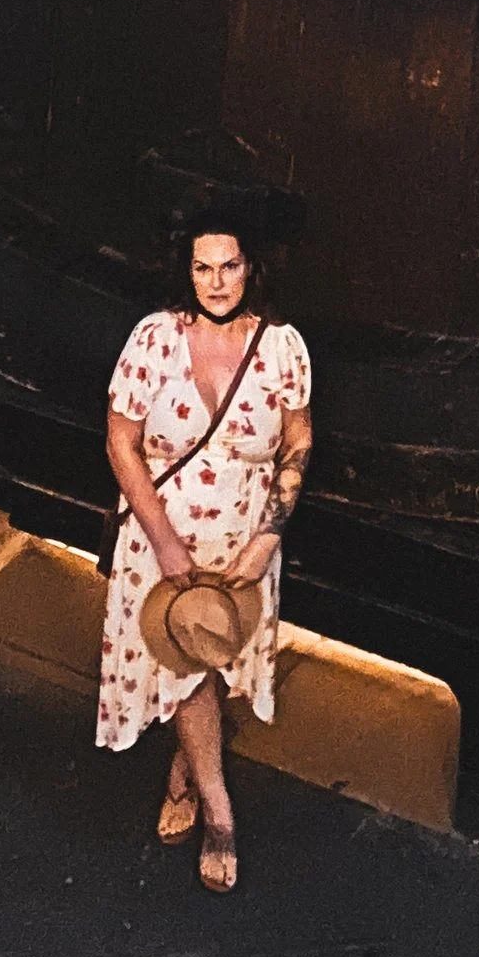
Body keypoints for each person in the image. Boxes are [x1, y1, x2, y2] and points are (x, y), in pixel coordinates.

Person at [97, 211, 312, 894]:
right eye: (202, 266)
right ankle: (219, 811)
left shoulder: (281, 346)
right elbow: (119, 441)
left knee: (212, 657)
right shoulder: (155, 338)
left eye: (229, 265)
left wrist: (268, 538)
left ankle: (184, 772)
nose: (216, 281)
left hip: (244, 541)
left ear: (252, 267)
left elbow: (297, 443)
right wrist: (163, 542)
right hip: (162, 542)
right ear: (184, 270)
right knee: (183, 664)